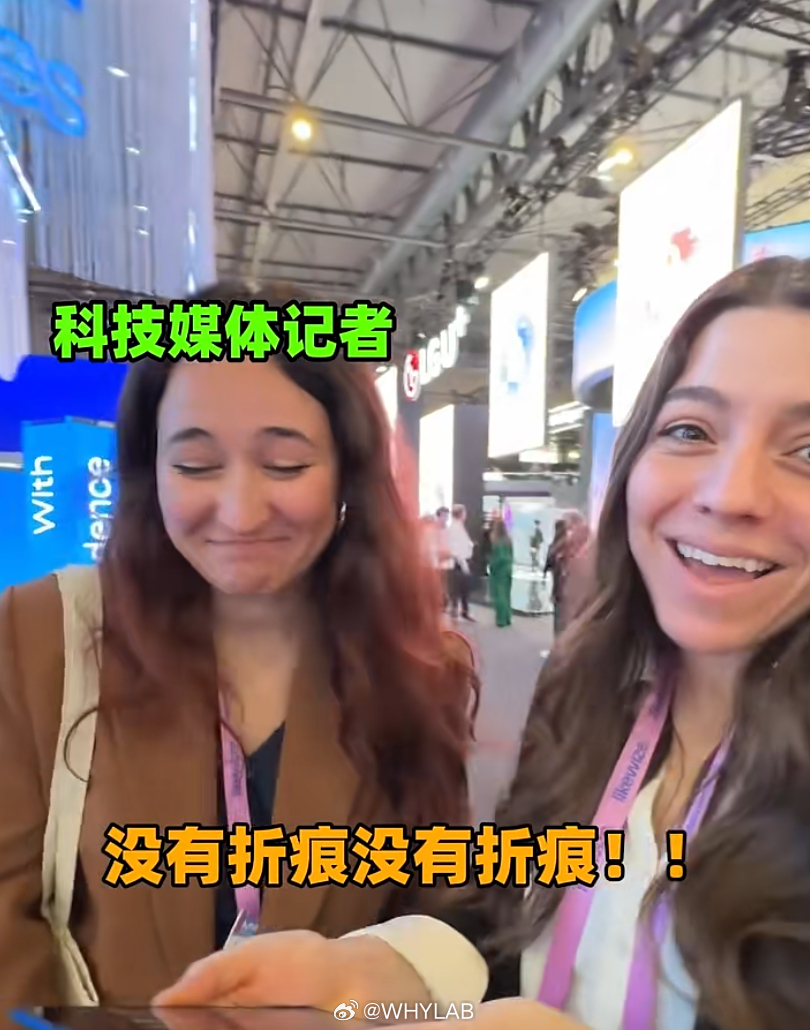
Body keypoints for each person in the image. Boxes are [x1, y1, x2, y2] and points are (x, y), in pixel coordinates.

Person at [156, 257, 810, 1030]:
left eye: (805, 452)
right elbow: (507, 908)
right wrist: (374, 969)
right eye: (690, 431)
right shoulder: (590, 689)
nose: (729, 495)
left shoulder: (421, 665)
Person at [0, 281, 479, 1006]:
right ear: (150, 472)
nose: (240, 512)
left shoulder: (421, 669)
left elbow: (439, 912)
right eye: (195, 465)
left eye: (285, 465)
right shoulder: (41, 635)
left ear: (347, 473)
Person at [446, 504, 475, 622]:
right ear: (461, 514)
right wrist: (464, 566)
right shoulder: (455, 528)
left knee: (463, 589)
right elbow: (456, 550)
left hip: (461, 562)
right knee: (458, 588)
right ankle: (456, 612)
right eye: (464, 513)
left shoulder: (458, 527)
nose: (466, 515)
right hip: (459, 563)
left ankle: (463, 611)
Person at [489, 520, 513, 628]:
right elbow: (510, 555)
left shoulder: (497, 542)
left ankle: (501, 619)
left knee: (499, 595)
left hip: (499, 570)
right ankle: (507, 617)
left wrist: (491, 565)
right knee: (507, 594)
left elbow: (499, 557)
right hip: (508, 569)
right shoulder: (508, 540)